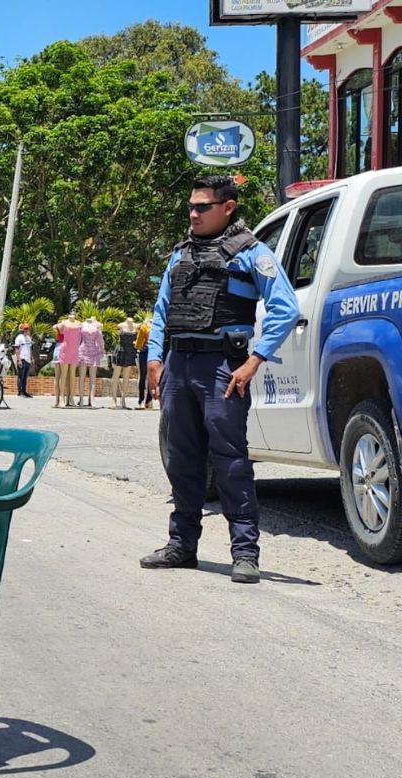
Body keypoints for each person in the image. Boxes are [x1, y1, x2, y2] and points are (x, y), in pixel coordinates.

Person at [141, 174, 299, 584]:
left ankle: (245, 553)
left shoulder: (251, 253)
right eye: (190, 207)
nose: (192, 214)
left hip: (223, 369)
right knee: (182, 459)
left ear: (228, 207)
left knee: (230, 462)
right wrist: (155, 359)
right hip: (179, 366)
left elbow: (285, 307)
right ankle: (182, 546)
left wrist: (256, 360)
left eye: (202, 207)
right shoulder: (180, 255)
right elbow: (161, 312)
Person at [13, 322, 34, 398]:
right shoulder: (19, 337)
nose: (26, 330)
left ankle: (24, 391)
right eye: (25, 329)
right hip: (22, 359)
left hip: (28, 360)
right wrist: (19, 360)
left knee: (25, 377)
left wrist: (32, 358)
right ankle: (20, 392)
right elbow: (17, 349)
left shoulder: (29, 338)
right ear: (22, 329)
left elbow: (30, 349)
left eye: (27, 329)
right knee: (20, 376)